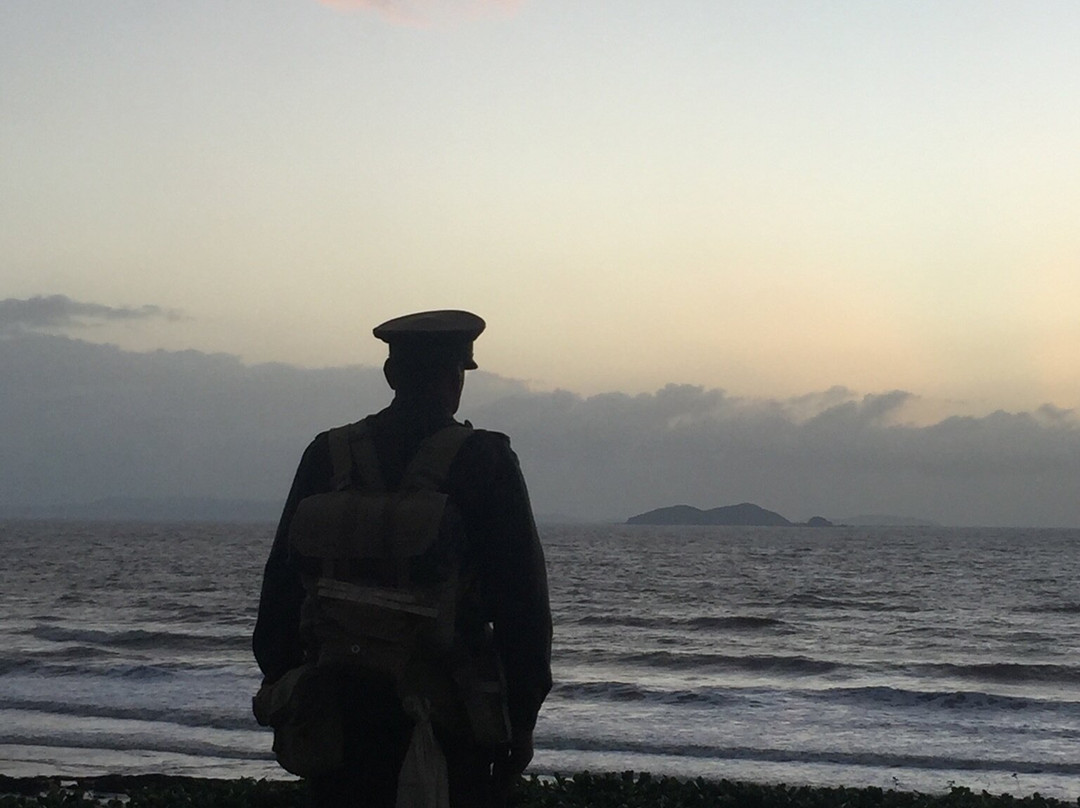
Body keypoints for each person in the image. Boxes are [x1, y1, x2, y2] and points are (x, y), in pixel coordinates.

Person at [253, 309, 552, 808]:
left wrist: (290, 688)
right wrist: (520, 726)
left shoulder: (326, 455)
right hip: (450, 722)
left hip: (339, 720)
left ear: (391, 375)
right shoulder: (485, 460)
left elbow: (279, 596)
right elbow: (523, 609)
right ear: (457, 376)